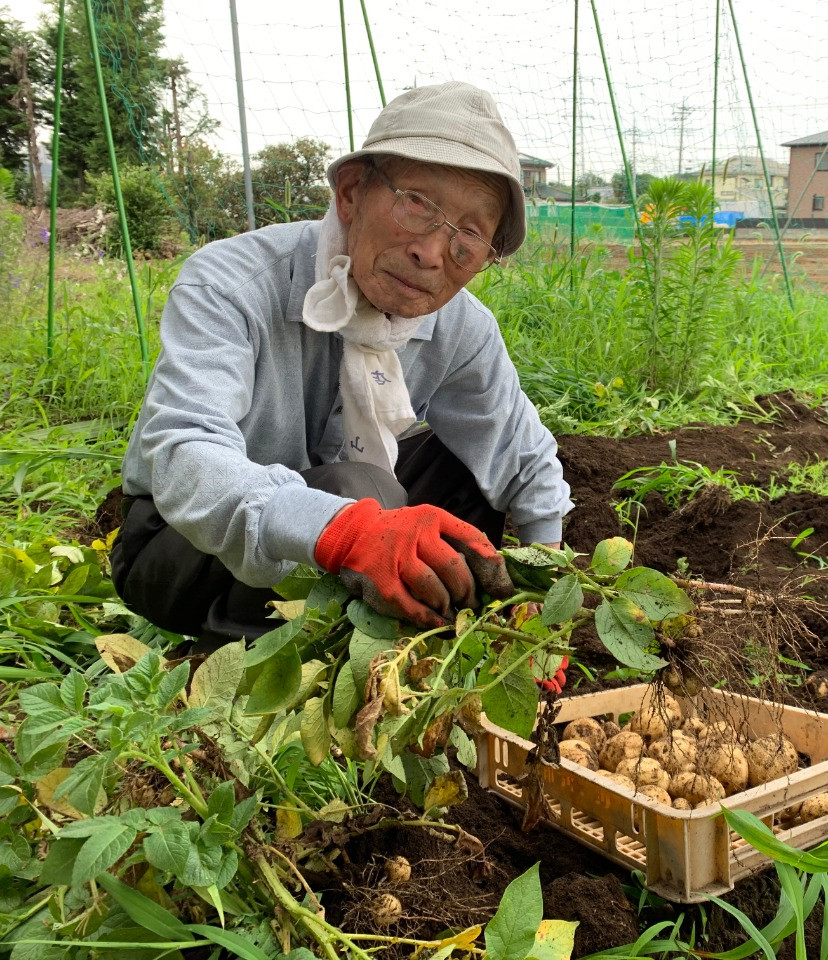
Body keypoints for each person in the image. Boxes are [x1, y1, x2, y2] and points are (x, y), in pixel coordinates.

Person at [111, 81, 573, 685]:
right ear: (352, 193)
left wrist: (545, 601)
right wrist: (343, 529)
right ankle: (243, 675)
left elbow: (525, 460)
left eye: (468, 236)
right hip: (179, 547)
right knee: (358, 488)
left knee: (467, 469)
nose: (433, 253)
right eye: (418, 204)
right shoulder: (231, 283)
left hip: (344, 506)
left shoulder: (461, 326)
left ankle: (437, 636)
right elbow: (182, 456)